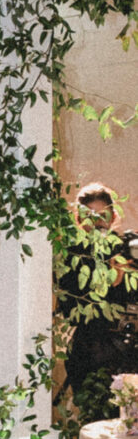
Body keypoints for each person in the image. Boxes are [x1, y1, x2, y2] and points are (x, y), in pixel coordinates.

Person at [57, 182, 138, 424]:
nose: (97, 223)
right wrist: (107, 285)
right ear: (78, 218)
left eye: (102, 215)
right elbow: (72, 312)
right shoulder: (72, 257)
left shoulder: (127, 249)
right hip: (92, 355)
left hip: (131, 354)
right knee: (98, 425)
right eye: (89, 216)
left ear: (113, 216)